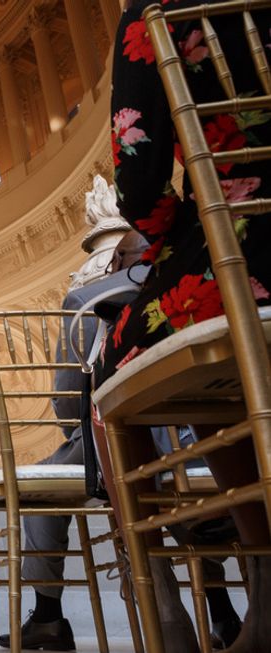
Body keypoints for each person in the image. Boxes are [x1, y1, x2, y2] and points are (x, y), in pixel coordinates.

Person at [99, 2, 271, 652]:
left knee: (119, 373)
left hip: (243, 244)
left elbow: (140, 183)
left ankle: (178, 600)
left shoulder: (158, 12)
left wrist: (180, 237)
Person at [0, 232, 242, 650]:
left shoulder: (88, 298)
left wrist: (79, 436)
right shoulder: (202, 277)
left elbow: (69, 398)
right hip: (217, 441)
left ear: (117, 262)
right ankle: (222, 613)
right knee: (181, 495)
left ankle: (48, 614)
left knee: (39, 489)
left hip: (118, 442)